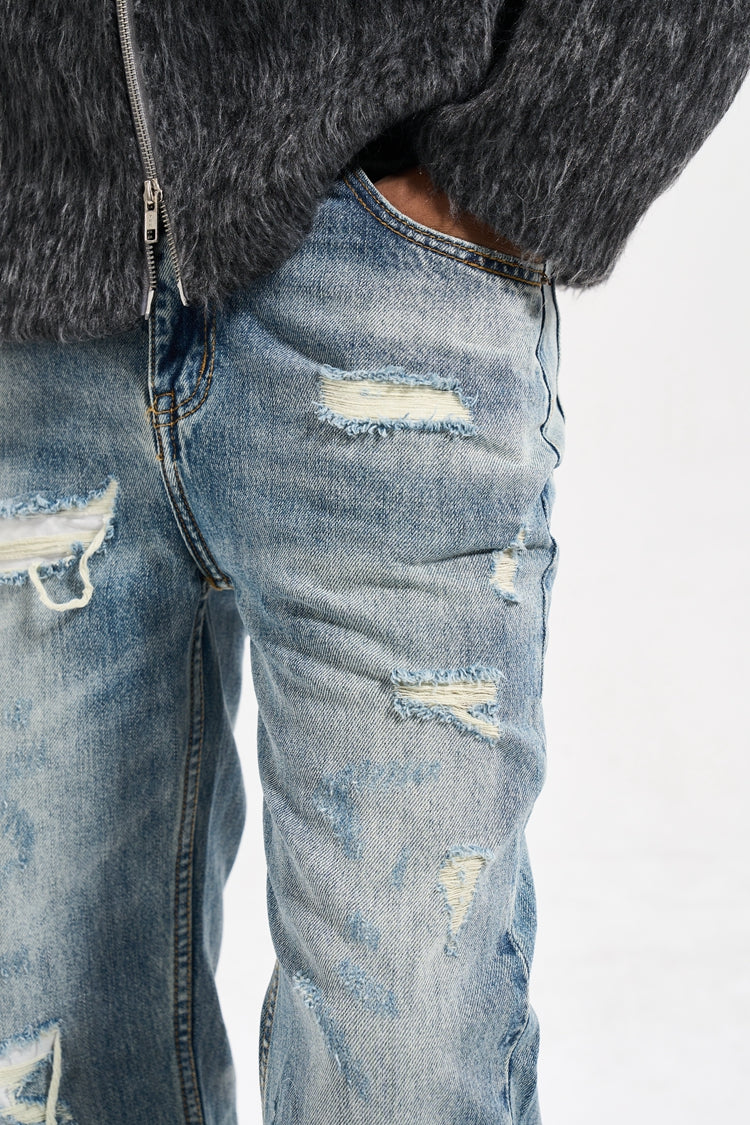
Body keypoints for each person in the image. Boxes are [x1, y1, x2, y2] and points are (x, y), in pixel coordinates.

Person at [1, 3, 748, 1122]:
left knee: (408, 1069)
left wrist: (537, 161)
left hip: (380, 279)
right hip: (30, 314)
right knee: (47, 1065)